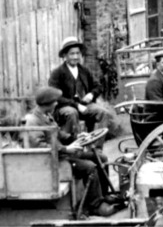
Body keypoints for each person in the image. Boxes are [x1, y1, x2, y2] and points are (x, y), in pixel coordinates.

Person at [24, 87, 118, 217]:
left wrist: (76, 138)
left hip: (62, 155)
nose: (57, 103)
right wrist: (65, 149)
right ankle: (95, 206)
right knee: (90, 167)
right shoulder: (33, 121)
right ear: (47, 104)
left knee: (101, 158)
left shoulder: (46, 116)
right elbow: (39, 147)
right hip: (53, 162)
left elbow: (59, 133)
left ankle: (104, 195)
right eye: (54, 102)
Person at [48, 36, 108, 137]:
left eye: (77, 53)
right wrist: (76, 105)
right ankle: (74, 146)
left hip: (84, 105)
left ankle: (95, 147)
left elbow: (98, 86)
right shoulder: (57, 73)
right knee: (72, 113)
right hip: (64, 107)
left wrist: (91, 94)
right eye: (72, 54)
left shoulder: (84, 71)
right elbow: (55, 96)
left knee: (102, 112)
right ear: (65, 55)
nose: (75, 57)